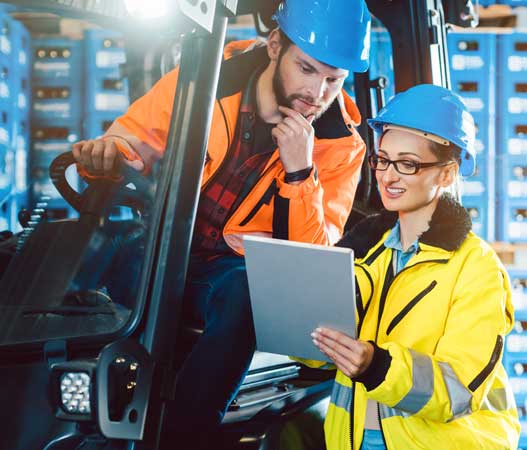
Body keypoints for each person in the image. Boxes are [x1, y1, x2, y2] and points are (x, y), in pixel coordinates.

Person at [71, 0, 371, 446]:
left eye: (333, 79)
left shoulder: (341, 148)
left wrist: (299, 174)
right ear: (274, 46)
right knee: (67, 253)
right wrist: (107, 154)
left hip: (226, 279)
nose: (317, 92)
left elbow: (309, 263)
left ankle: (181, 438)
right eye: (306, 69)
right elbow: (133, 138)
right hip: (160, 252)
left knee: (246, 295)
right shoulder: (203, 80)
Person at [308, 84, 521, 449]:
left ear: (447, 174)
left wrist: (378, 366)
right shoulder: (363, 254)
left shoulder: (476, 268)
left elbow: (458, 390)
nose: (388, 176)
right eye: (383, 159)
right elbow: (316, 359)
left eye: (407, 164)